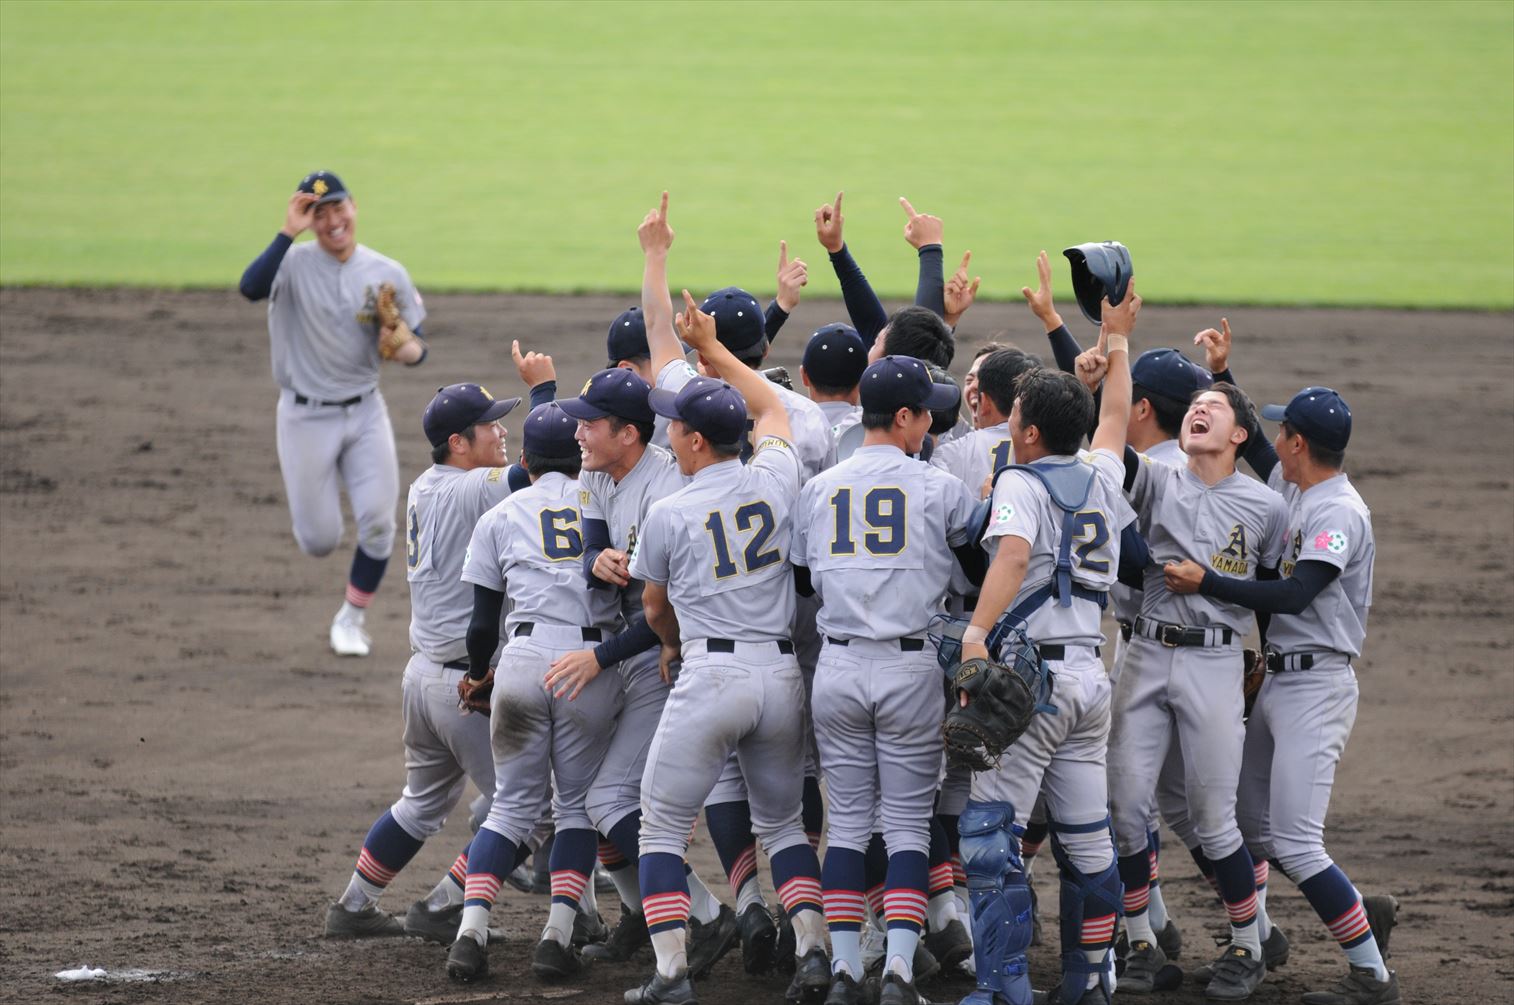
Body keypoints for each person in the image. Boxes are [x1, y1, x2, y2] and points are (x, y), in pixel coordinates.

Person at [1165, 337, 1397, 1004]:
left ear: (1300, 442)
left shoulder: (1339, 512)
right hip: (1277, 681)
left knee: (1295, 840)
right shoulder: (1294, 485)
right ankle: (1263, 937)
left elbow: (1296, 594)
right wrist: (1223, 374)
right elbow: (1257, 452)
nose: (1273, 440)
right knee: (1242, 826)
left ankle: (1371, 973)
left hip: (1317, 687)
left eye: (1282, 430)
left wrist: (1208, 582)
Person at [624, 292, 829, 1005]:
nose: (669, 431)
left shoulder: (669, 509)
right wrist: (715, 352)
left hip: (712, 674)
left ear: (694, 442)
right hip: (780, 675)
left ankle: (671, 974)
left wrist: (670, 645)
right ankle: (813, 950)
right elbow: (770, 407)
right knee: (784, 824)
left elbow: (654, 608)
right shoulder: (776, 475)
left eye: (676, 425)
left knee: (659, 827)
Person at [955, 289, 1140, 1005]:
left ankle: (1004, 988)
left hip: (1032, 686)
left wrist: (975, 634)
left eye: (1016, 417)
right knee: (1089, 841)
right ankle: (1089, 981)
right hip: (1090, 681)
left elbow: (1010, 558)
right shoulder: (1102, 475)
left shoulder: (1020, 482)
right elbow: (1115, 416)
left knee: (990, 840)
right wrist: (1117, 340)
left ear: (1027, 431)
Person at [322, 374, 540, 941]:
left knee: (420, 804)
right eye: (490, 425)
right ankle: (446, 903)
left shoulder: (426, 485)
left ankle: (354, 905)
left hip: (422, 679)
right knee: (532, 808)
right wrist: (545, 393)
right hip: (467, 689)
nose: (502, 431)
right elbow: (540, 468)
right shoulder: (471, 490)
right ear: (458, 443)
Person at [791, 355, 980, 1005]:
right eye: (925, 413)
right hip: (909, 668)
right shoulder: (940, 488)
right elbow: (979, 569)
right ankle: (898, 969)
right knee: (905, 826)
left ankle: (846, 971)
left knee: (846, 825)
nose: (930, 424)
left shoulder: (818, 489)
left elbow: (803, 581)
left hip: (838, 667)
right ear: (903, 417)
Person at [1107, 339, 1290, 1001]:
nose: (1198, 411)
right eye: (1193, 406)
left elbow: (1270, 590)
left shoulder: (1267, 507)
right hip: (1146, 655)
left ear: (1239, 434)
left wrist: (1267, 662)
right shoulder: (1157, 480)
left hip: (1215, 660)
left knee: (1215, 818)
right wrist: (1112, 357)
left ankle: (1247, 944)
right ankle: (1141, 942)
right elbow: (1110, 441)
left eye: (1213, 407)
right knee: (1125, 808)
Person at [549, 365, 738, 977]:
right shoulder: (596, 472)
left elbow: (668, 609)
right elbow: (592, 543)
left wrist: (599, 657)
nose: (578, 433)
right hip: (639, 647)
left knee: (608, 798)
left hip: (665, 654)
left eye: (590, 424)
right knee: (600, 795)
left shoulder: (665, 486)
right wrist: (593, 560)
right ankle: (643, 912)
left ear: (628, 434)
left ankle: (708, 914)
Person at [445, 401, 624, 982]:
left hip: (521, 662)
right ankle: (556, 936)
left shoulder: (500, 514)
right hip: (586, 665)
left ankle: (471, 932)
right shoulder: (605, 504)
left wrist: (480, 674)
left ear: (524, 461)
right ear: (581, 456)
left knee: (510, 807)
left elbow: (481, 625)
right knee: (574, 809)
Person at [239, 171, 428, 657]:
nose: (332, 221)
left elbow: (418, 348)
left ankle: (351, 618)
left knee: (380, 525)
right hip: (304, 418)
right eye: (318, 213)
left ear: (354, 207)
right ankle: (330, 559)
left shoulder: (385, 270)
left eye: (338, 208)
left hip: (365, 412)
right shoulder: (290, 265)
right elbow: (250, 287)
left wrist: (402, 347)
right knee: (319, 540)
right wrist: (288, 231)